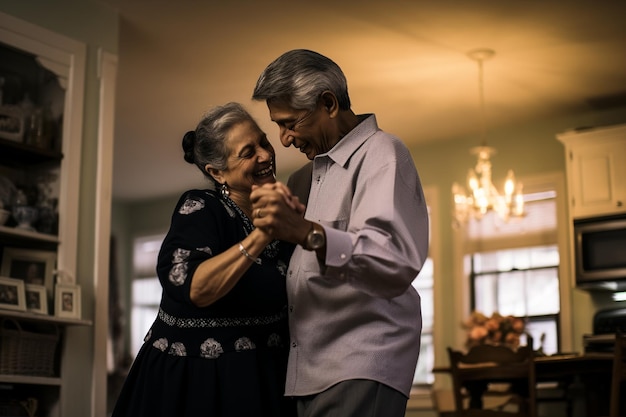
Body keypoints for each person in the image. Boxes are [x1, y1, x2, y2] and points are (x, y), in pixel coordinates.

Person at [250, 49, 430, 417]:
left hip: (360, 364)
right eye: (278, 126)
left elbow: (392, 259)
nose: (283, 140)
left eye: (290, 123)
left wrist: (305, 233)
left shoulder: (383, 153)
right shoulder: (302, 179)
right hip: (306, 372)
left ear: (328, 103)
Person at [112, 102, 301, 417]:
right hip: (197, 385)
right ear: (216, 172)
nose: (266, 155)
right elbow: (196, 288)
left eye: (264, 142)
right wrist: (262, 234)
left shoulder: (283, 214)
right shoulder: (201, 208)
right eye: (248, 151)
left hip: (264, 382)